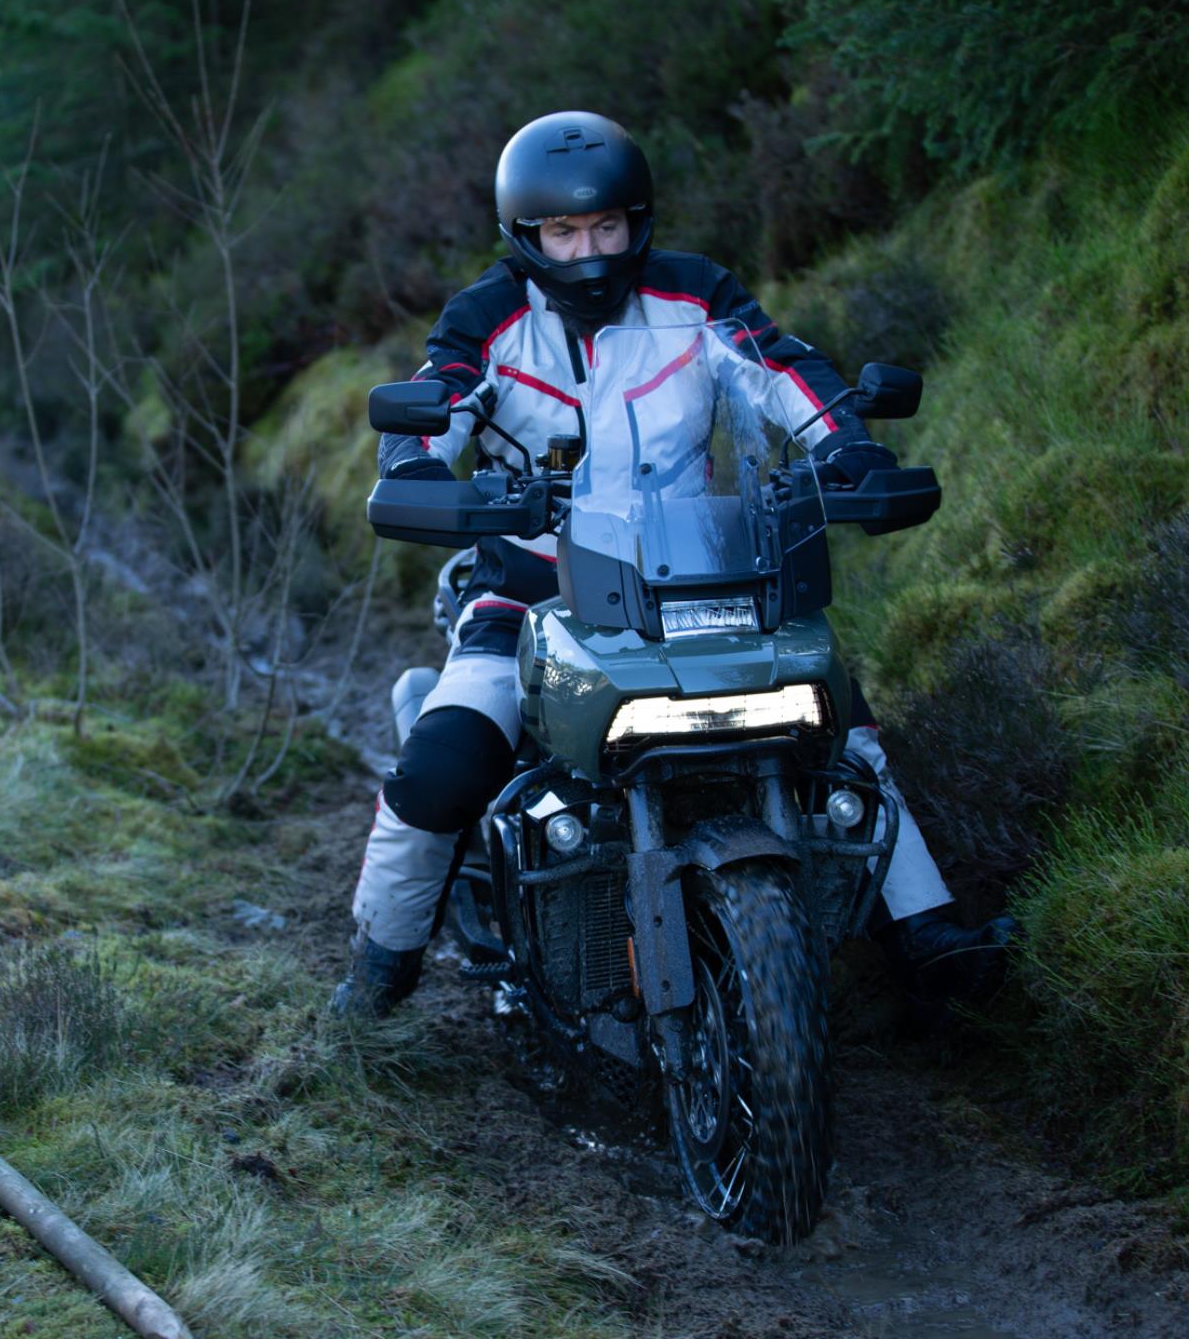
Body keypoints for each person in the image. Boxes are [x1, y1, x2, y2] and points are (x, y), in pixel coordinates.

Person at [334, 110, 1014, 1015]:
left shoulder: (696, 295)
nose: (587, 252)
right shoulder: (488, 318)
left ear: (637, 220)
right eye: (563, 231)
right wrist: (417, 467)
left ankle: (927, 936)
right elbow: (437, 401)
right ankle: (380, 972)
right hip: (533, 594)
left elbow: (775, 365)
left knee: (842, 729)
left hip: (700, 579)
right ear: (525, 235)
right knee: (442, 771)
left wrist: (844, 446)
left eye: (605, 226)